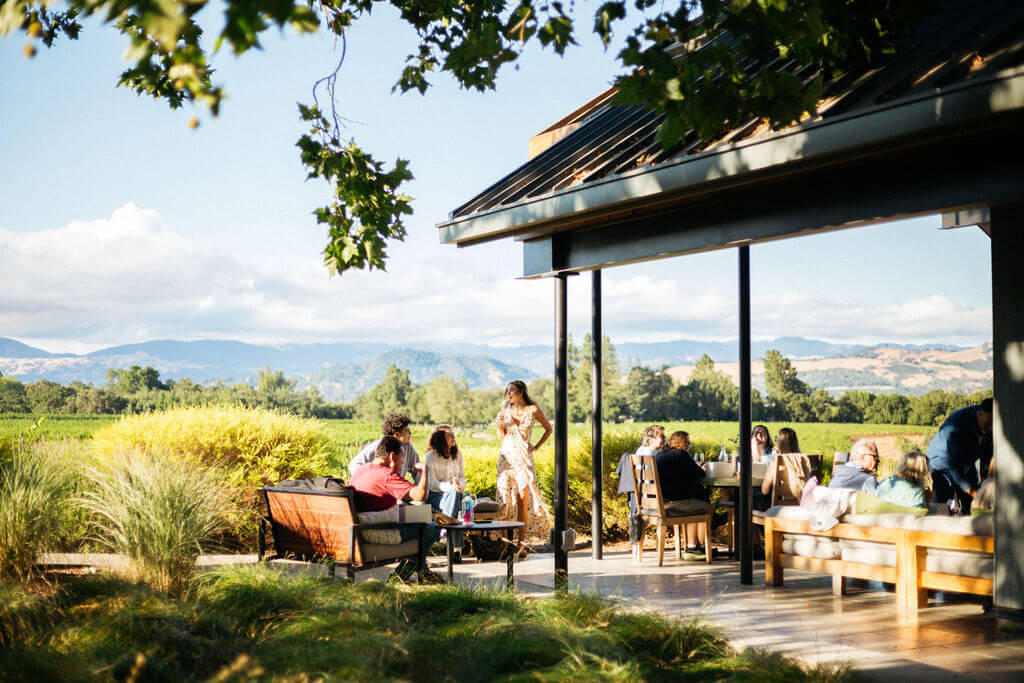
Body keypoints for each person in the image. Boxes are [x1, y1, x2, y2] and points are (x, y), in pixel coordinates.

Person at [347, 436, 440, 581]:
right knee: (434, 528)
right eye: (402, 458)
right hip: (380, 528)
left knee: (424, 514)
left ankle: (423, 569)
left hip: (362, 524)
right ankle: (399, 577)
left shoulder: (361, 469)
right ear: (392, 456)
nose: (403, 463)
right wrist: (425, 472)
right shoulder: (387, 475)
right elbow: (421, 495)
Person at [495, 380, 552, 548]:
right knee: (505, 500)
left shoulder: (533, 409)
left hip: (523, 457)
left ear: (521, 392)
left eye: (512, 391)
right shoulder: (505, 411)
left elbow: (549, 429)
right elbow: (501, 436)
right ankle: (506, 543)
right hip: (506, 457)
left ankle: (521, 542)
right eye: (508, 392)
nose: (509, 394)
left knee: (522, 498)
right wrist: (500, 425)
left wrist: (536, 446)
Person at [927, 398, 994, 512]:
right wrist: (974, 492)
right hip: (941, 462)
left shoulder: (988, 421)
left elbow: (987, 453)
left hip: (966, 462)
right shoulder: (956, 427)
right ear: (978, 414)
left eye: (993, 424)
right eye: (987, 424)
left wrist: (984, 483)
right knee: (944, 506)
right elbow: (955, 468)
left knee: (971, 503)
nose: (990, 428)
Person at [659, 430, 713, 557]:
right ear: (681, 442)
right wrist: (703, 468)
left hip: (661, 502)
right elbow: (700, 474)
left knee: (695, 503)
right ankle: (701, 548)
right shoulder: (682, 454)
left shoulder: (661, 454)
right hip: (673, 504)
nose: (689, 443)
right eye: (687, 441)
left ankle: (692, 547)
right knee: (707, 507)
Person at [348, 413, 422, 483]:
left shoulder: (408, 449)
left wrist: (419, 491)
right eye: (407, 431)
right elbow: (354, 464)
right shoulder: (379, 446)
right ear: (396, 434)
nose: (410, 433)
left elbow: (418, 471)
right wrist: (369, 482)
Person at [425, 425, 466, 548]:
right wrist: (450, 487)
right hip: (435, 495)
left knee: (455, 496)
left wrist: (459, 486)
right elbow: (431, 483)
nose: (453, 437)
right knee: (455, 504)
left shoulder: (457, 454)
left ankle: (444, 531)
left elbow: (462, 477)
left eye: (453, 434)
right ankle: (456, 549)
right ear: (439, 438)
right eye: (449, 435)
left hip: (455, 494)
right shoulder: (430, 456)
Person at [755, 427, 812, 509]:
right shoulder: (805, 460)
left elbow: (765, 490)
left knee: (746, 496)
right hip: (802, 505)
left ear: (780, 443)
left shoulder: (777, 462)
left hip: (779, 508)